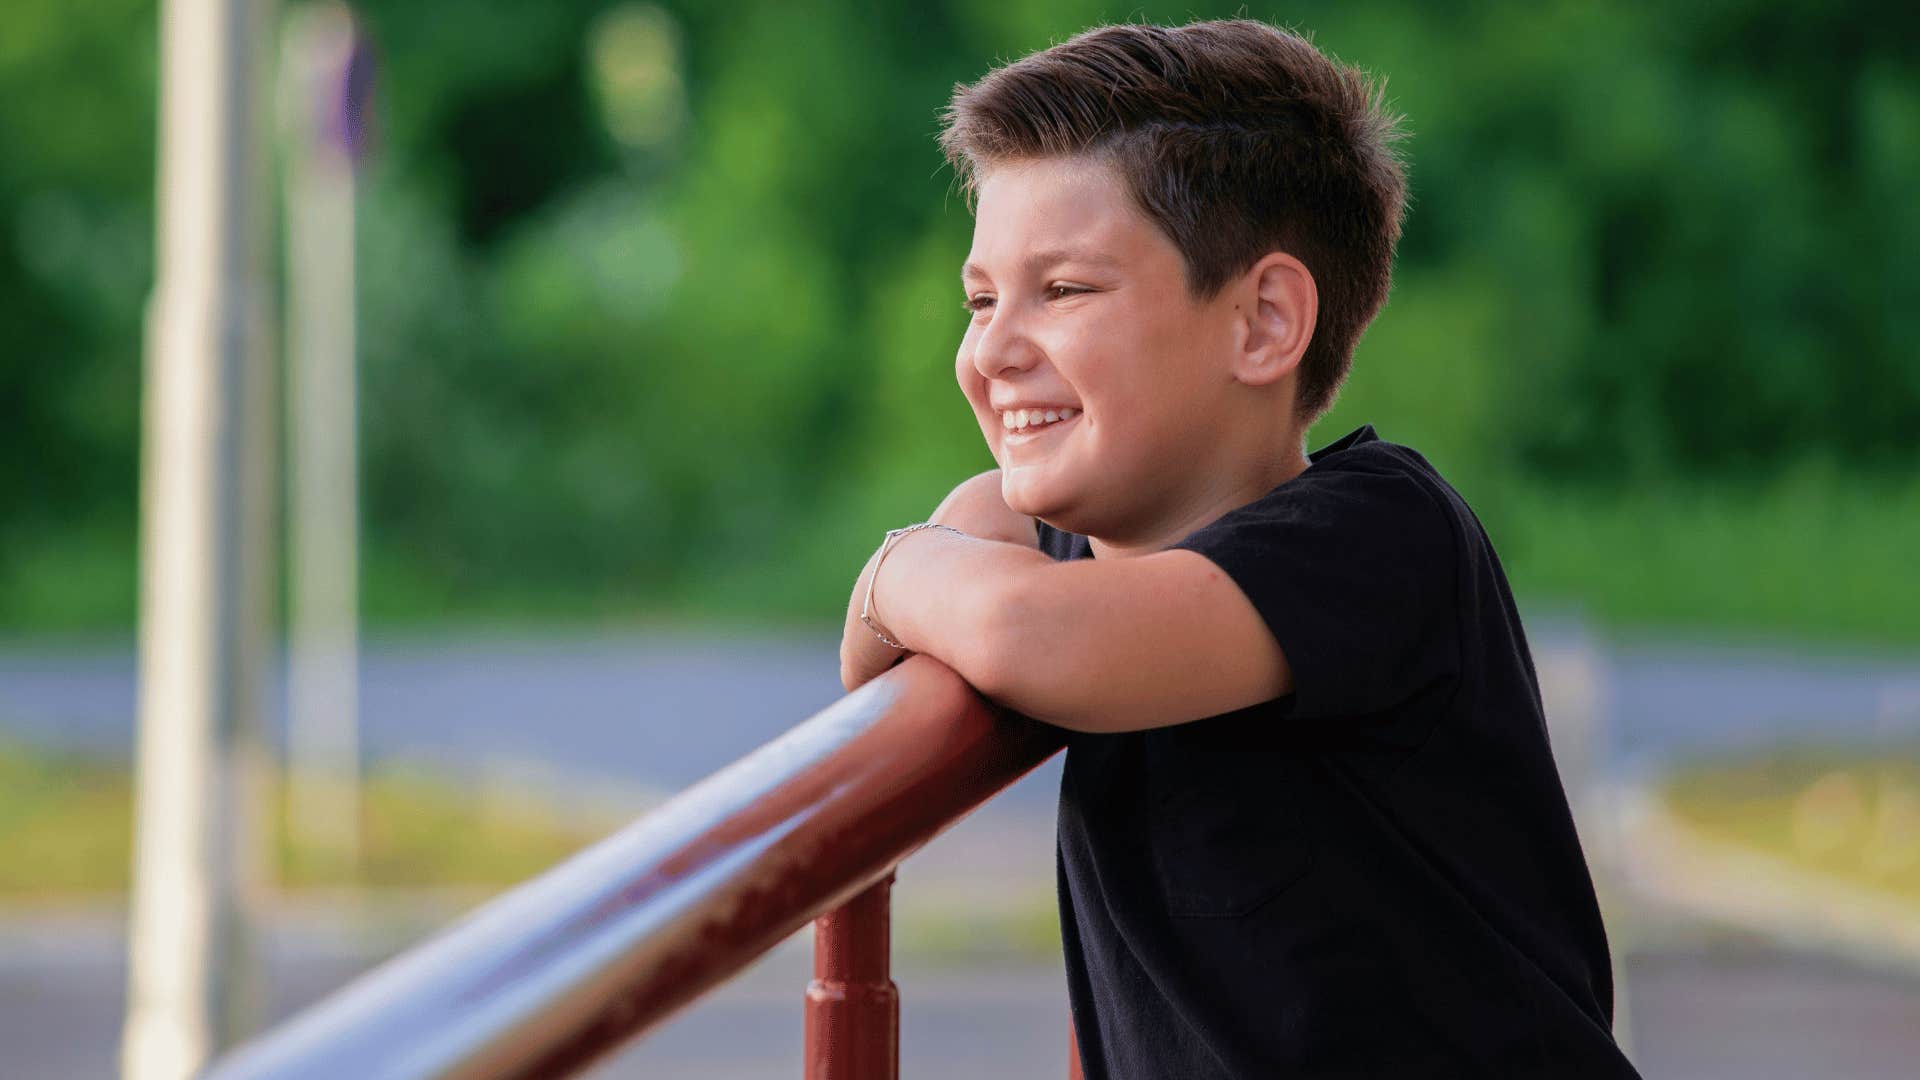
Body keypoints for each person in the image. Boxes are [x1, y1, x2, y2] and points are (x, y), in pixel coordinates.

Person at [838, 18, 1641, 1079]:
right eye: (981, 299)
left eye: (1064, 290)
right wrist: (943, 550)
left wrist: (897, 564)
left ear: (1263, 322)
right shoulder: (1091, 556)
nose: (990, 349)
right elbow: (875, 672)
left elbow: (1024, 632)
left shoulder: (1376, 536)